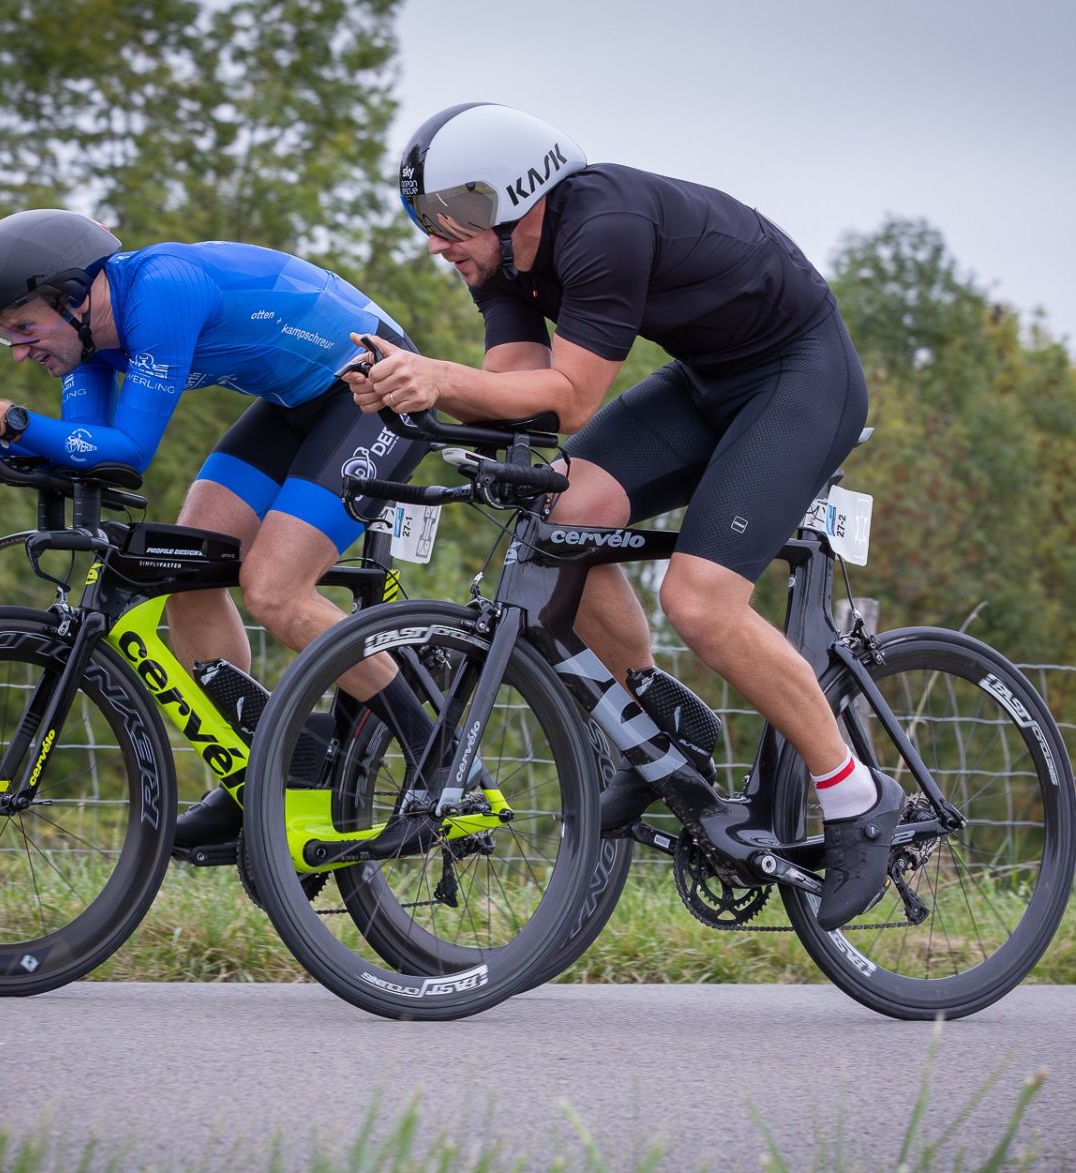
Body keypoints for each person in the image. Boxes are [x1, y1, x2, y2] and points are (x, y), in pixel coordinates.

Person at [350, 103, 895, 929]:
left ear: (514, 192)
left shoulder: (602, 223)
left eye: (447, 216)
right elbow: (514, 395)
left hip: (798, 374)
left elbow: (568, 398)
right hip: (709, 380)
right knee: (562, 509)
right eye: (423, 219)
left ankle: (857, 795)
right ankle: (651, 718)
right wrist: (408, 398)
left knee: (700, 602)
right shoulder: (497, 265)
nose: (435, 239)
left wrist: (438, 377)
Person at [0, 209, 440, 847]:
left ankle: (438, 760)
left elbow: (127, 450)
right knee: (184, 572)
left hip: (375, 391)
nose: (17, 350)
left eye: (22, 327)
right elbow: (90, 455)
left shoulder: (161, 289)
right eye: (3, 336)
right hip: (295, 403)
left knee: (274, 590)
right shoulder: (88, 346)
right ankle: (254, 778)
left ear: (72, 297)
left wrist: (7, 420)